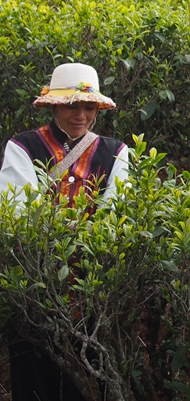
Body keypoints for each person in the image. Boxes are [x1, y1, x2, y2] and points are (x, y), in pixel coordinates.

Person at [0, 62, 128, 401]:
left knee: (86, 377)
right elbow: (18, 211)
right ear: (55, 104)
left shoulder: (115, 152)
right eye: (72, 105)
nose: (81, 115)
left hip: (91, 285)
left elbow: (116, 213)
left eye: (88, 107)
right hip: (36, 281)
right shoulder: (23, 147)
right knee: (33, 376)